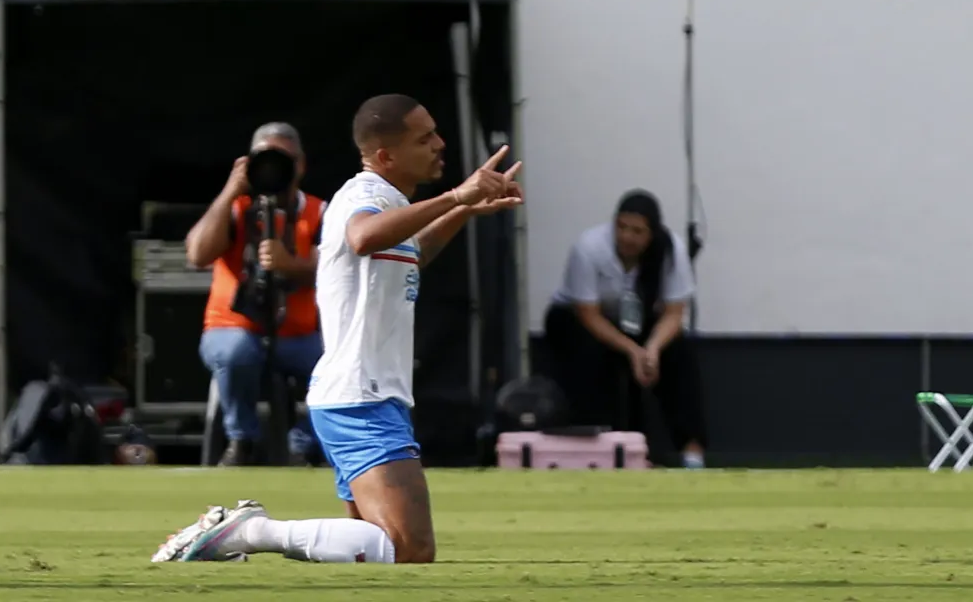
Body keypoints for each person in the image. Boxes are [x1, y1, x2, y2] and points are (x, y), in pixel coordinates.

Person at [154, 94, 523, 564]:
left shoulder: (389, 201)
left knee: (375, 546)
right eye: (424, 137)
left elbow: (409, 253)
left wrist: (465, 211)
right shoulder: (364, 195)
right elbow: (364, 236)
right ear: (386, 156)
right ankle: (251, 531)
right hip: (361, 398)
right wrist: (455, 196)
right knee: (409, 548)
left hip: (361, 394)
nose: (439, 143)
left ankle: (252, 532)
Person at [185, 122, 324, 466]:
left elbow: (338, 269)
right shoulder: (236, 207)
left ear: (301, 165)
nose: (274, 167)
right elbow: (198, 254)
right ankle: (241, 441)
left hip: (299, 334)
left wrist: (290, 265)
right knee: (236, 353)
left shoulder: (319, 212)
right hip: (234, 327)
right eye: (265, 159)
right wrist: (230, 191)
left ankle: (303, 446)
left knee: (343, 366)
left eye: (283, 159)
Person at [544, 189, 708, 469]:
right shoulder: (589, 248)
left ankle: (692, 451)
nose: (627, 237)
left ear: (652, 234)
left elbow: (674, 313)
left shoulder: (672, 251)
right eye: (621, 227)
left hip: (638, 322)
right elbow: (588, 314)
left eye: (637, 231)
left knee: (678, 354)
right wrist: (633, 351)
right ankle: (608, 448)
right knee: (593, 355)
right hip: (579, 321)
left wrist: (652, 350)